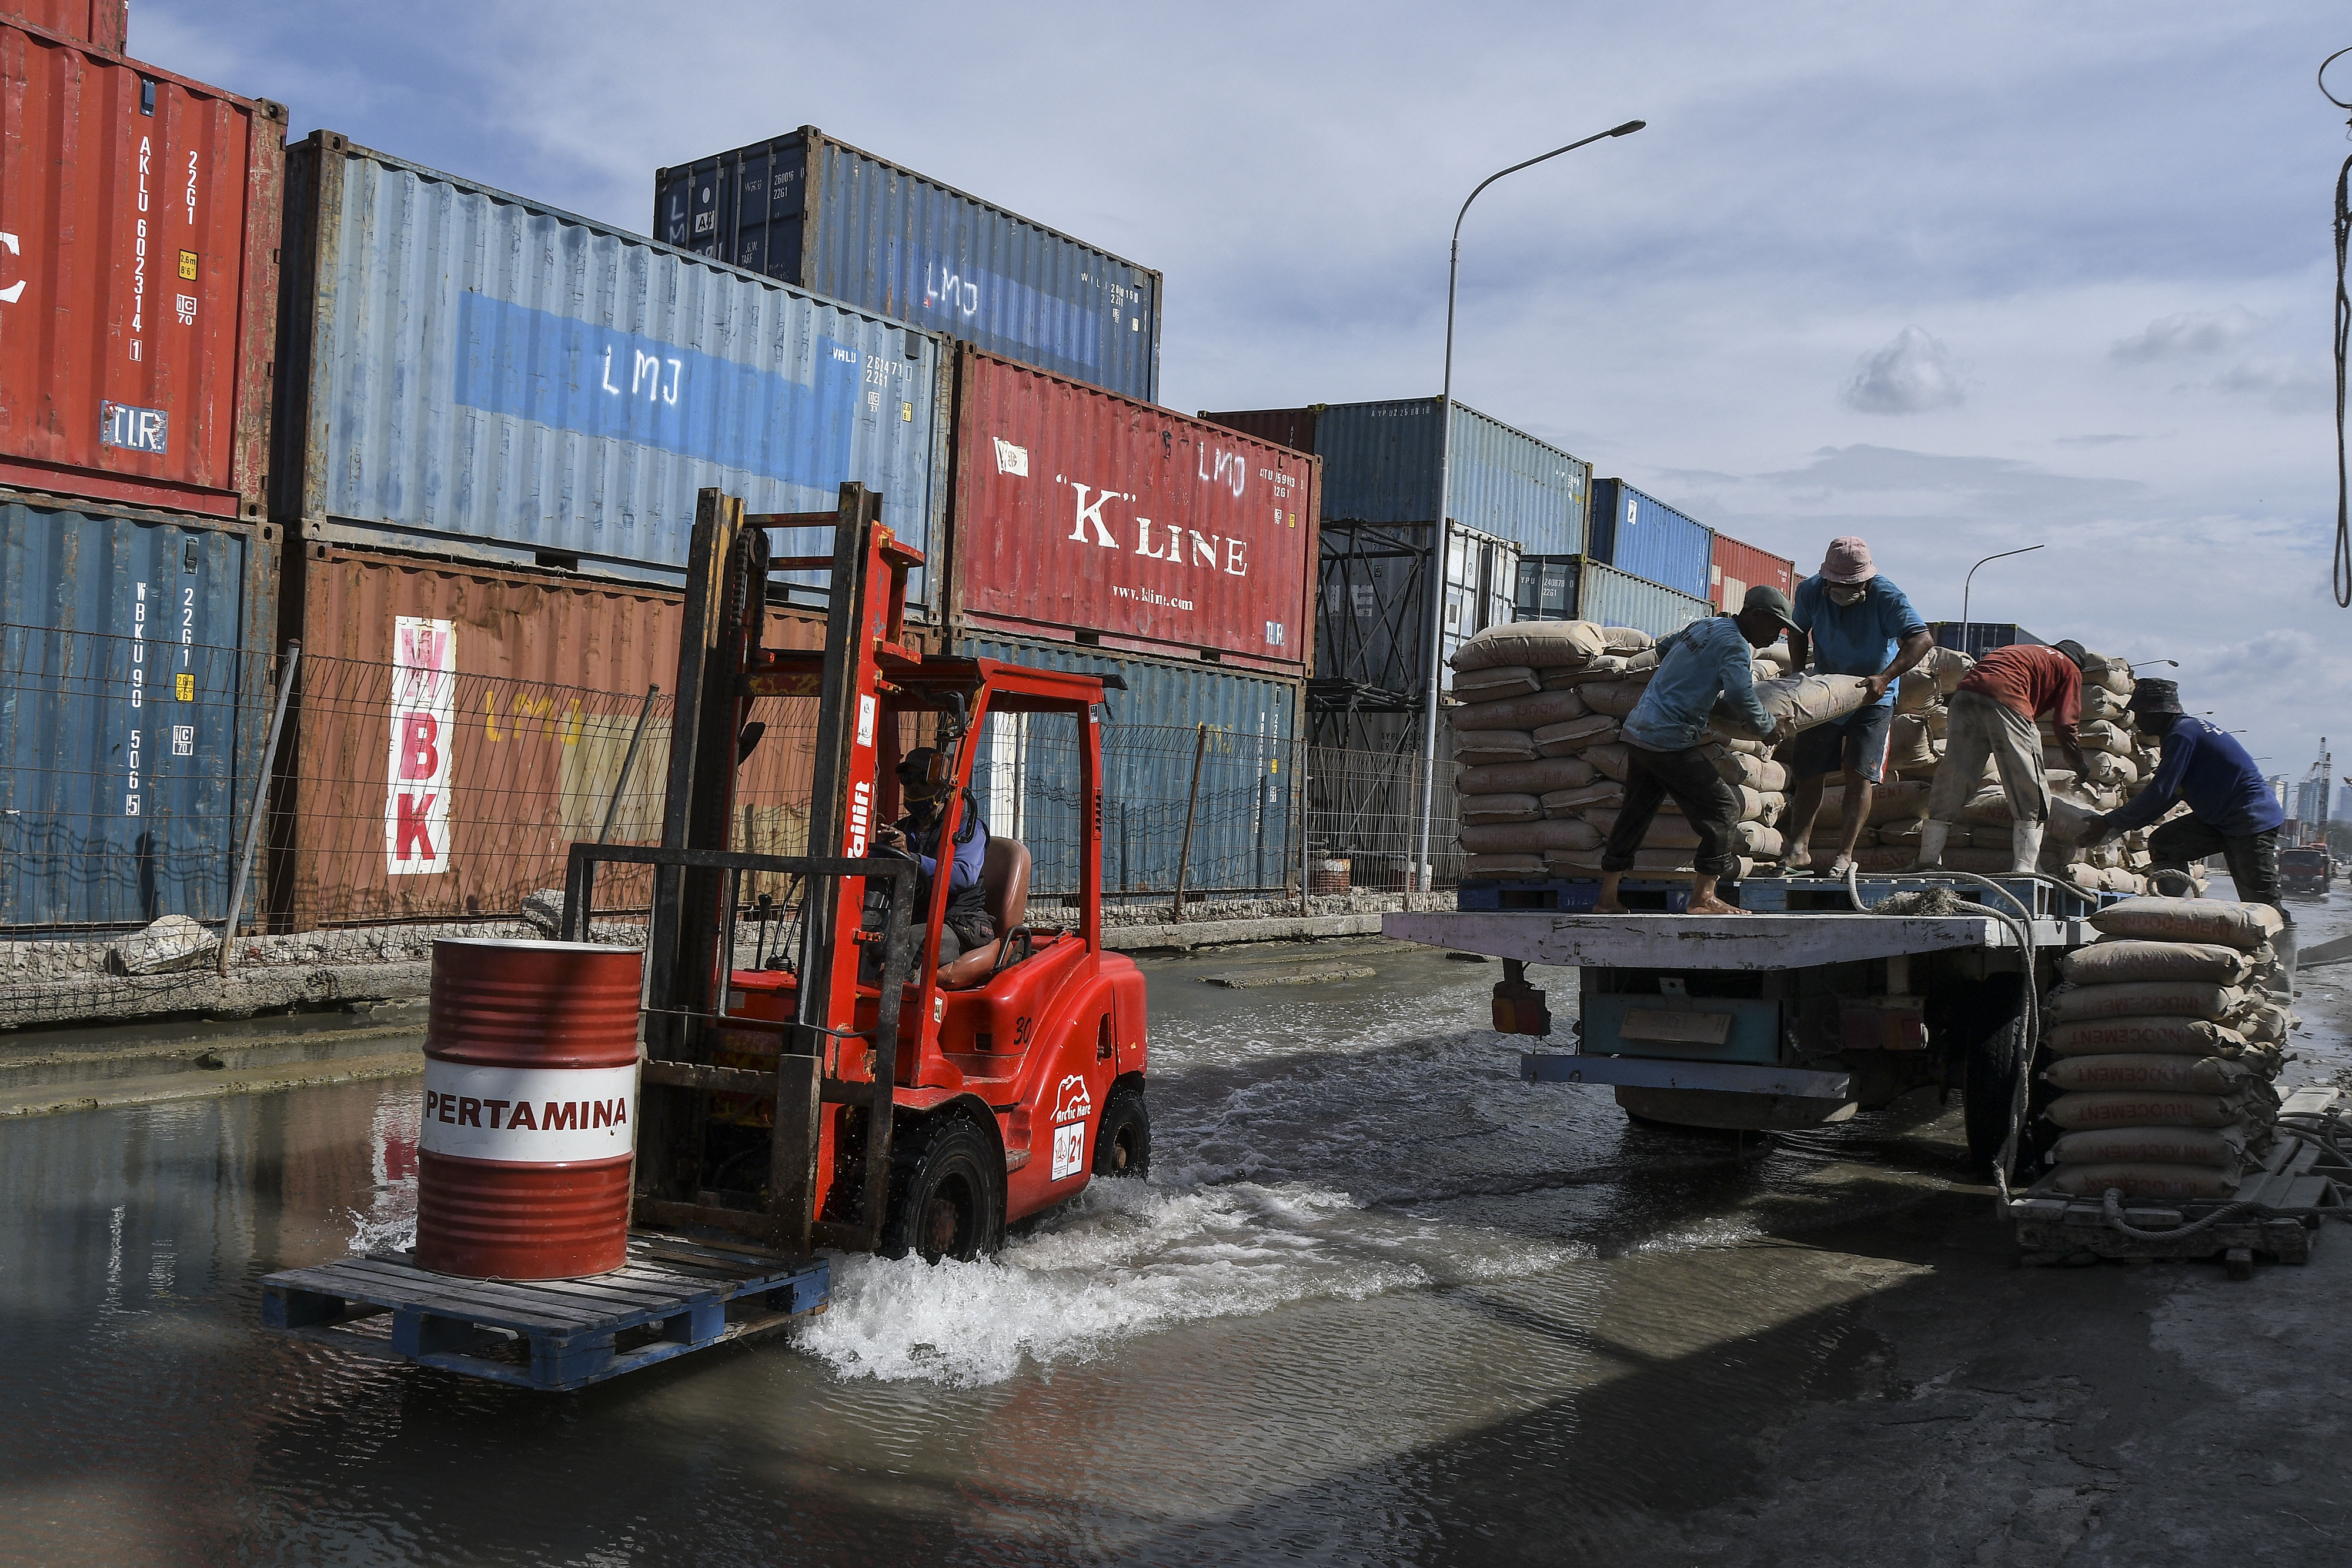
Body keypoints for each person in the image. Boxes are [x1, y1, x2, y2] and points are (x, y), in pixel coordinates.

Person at [1595, 586, 1794, 917]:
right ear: (1755, 616)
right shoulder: (1735, 645)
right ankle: (1703, 897)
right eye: (1776, 627)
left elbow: (1663, 648)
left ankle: (1606, 898)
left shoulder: (1707, 625)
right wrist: (1768, 727)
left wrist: (1694, 680)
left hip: (1640, 730)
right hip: (1668, 740)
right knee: (1723, 810)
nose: (1778, 636)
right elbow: (1741, 697)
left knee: (1635, 813)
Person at [1779, 536, 1935, 875]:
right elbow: (1796, 630)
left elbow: (1922, 639)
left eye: (1854, 583)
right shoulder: (1810, 592)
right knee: (1809, 772)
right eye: (1838, 583)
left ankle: (1845, 855)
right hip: (1826, 693)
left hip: (1873, 696)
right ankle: (1798, 851)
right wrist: (1796, 673)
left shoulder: (1886, 596)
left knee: (1859, 773)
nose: (1845, 589)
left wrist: (1884, 676)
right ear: (1827, 578)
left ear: (1867, 580)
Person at [2080, 678, 2286, 911]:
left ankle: (2282, 945)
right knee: (2165, 843)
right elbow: (2169, 796)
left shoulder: (2182, 735)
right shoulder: (2186, 731)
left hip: (2249, 821)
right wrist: (2118, 826)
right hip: (2222, 819)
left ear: (2156, 712)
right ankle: (2185, 915)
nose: (2137, 721)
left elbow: (2161, 791)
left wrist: (2110, 822)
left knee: (2261, 900)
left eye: (2139, 713)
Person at [1916, 640, 2092, 874]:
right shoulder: (2069, 668)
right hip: (2008, 698)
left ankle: (1928, 858)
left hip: (1966, 693)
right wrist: (2077, 761)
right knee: (2029, 785)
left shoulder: (2025, 650)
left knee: (1954, 776)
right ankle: (2026, 867)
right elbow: (2065, 723)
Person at [873, 747, 995, 965]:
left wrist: (912, 858)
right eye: (907, 779)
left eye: (922, 779)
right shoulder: (902, 830)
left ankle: (900, 998)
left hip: (959, 921)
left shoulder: (967, 829)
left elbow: (963, 875)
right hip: (915, 917)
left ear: (943, 786)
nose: (914, 786)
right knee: (867, 933)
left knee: (908, 941)